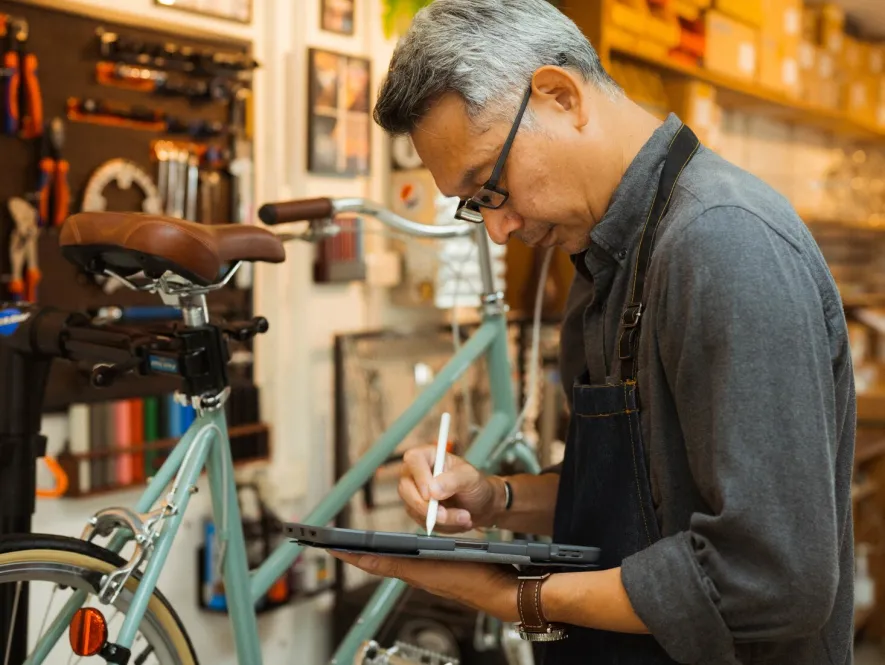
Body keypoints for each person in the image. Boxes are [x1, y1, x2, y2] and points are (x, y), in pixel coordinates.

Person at [332, 1, 856, 663]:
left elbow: (773, 578)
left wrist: (517, 596)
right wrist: (494, 498)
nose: (497, 229)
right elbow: (643, 492)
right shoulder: (606, 257)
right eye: (475, 206)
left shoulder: (722, 243)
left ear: (558, 95)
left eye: (489, 185)